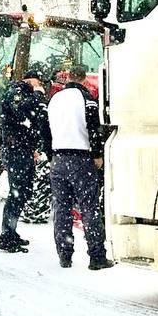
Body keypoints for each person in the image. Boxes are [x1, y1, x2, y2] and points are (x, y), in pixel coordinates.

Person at [47, 64, 113, 270]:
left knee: (62, 209)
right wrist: (97, 154)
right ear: (84, 79)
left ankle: (64, 256)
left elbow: (45, 130)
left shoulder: (54, 100)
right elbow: (94, 128)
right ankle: (96, 257)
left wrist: (51, 155)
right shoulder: (87, 100)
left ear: (67, 79)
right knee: (89, 208)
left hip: (58, 159)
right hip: (81, 159)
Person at [0, 66, 51, 253]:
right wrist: (37, 95)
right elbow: (20, 112)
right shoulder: (16, 92)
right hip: (15, 150)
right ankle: (6, 234)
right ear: (31, 80)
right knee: (17, 192)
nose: (41, 85)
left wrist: (36, 147)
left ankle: (12, 231)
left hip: (25, 150)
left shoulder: (29, 95)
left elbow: (35, 122)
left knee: (25, 191)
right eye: (39, 82)